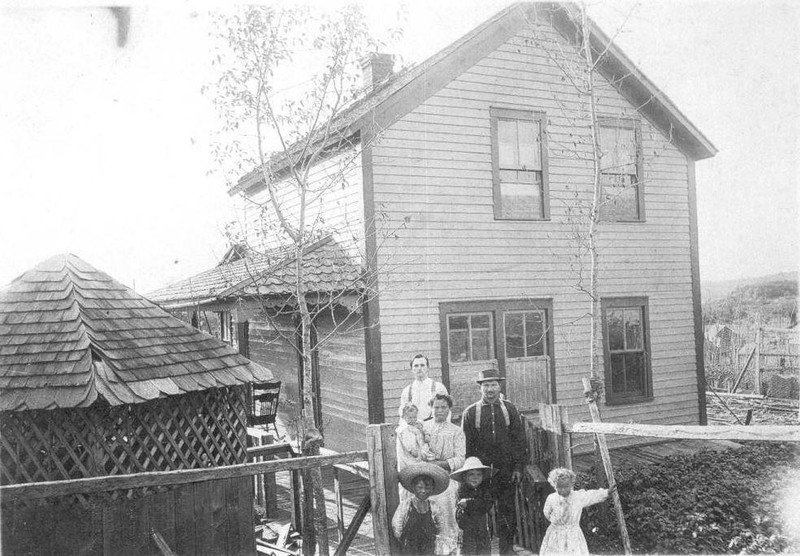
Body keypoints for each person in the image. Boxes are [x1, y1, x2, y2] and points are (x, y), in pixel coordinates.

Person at [461, 368, 529, 555]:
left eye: (493, 385)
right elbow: (466, 446)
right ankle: (481, 551)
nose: (490, 389)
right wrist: (470, 474)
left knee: (507, 511)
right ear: (480, 388)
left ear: (499, 386)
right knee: (478, 511)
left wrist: (518, 467)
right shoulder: (471, 412)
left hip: (505, 470)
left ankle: (506, 551)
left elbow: (519, 441)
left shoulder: (509, 409)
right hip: (480, 472)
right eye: (486, 385)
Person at [423, 393, 466, 555]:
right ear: (431, 408)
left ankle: (449, 551)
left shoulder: (456, 431)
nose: (439, 410)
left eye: (443, 407)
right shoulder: (423, 427)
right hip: (425, 478)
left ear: (449, 409)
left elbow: (460, 459)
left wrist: (439, 464)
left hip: (447, 479)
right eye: (436, 407)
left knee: (446, 516)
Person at [539, 468, 611, 555]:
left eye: (566, 487)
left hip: (573, 534)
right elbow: (547, 512)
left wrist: (606, 492)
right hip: (556, 533)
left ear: (571, 484)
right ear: (554, 485)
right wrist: (556, 522)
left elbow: (591, 495)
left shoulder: (577, 497)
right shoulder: (551, 498)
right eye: (559, 487)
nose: (563, 490)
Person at [392, 462, 450, 555]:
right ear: (413, 488)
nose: (423, 491)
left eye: (427, 488)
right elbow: (397, 526)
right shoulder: (406, 505)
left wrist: (437, 541)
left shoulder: (434, 507)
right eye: (420, 487)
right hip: (410, 547)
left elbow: (441, 526)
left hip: (429, 546)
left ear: (432, 489)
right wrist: (404, 539)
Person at [451, 456, 496, 555]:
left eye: (479, 474)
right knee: (468, 551)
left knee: (484, 551)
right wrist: (464, 507)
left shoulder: (485, 490)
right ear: (464, 477)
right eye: (471, 474)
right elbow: (459, 514)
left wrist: (469, 503)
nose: (475, 477)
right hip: (468, 531)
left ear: (483, 477)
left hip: (483, 530)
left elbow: (487, 504)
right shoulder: (461, 491)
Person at [399, 354, 448, 422]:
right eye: (416, 366)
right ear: (412, 369)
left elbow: (447, 411)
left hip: (434, 427)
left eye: (422, 365)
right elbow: (403, 415)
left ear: (428, 368)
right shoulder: (406, 391)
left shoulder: (438, 387)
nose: (419, 368)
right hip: (414, 428)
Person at [397, 402, 435, 473]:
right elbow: (408, 445)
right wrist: (415, 452)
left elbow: (425, 430)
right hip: (410, 455)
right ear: (403, 417)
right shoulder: (405, 429)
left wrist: (427, 435)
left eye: (414, 417)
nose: (412, 420)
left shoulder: (419, 423)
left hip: (421, 445)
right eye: (409, 418)